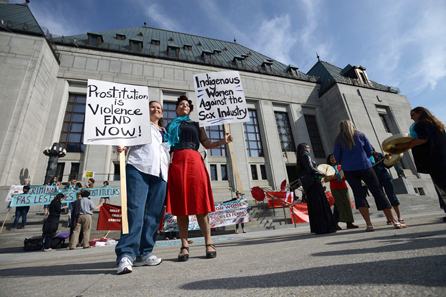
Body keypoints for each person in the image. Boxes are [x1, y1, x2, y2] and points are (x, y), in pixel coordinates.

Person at [165, 95, 233, 261]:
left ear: (190, 109)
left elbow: (207, 144)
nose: (184, 106)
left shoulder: (197, 125)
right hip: (177, 164)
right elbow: (163, 147)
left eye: (187, 105)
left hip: (194, 162)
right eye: (181, 104)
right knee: (181, 208)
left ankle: (209, 242)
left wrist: (223, 141)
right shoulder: (168, 126)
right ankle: (184, 246)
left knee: (200, 205)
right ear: (176, 109)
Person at [115, 100, 170, 275]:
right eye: (153, 107)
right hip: (139, 167)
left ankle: (145, 252)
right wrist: (122, 144)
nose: (156, 109)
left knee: (153, 215)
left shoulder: (165, 132)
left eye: (159, 108)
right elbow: (124, 137)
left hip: (161, 173)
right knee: (135, 210)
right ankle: (126, 254)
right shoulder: (138, 124)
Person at [333, 120, 407, 231]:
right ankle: (395, 221)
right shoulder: (360, 135)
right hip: (364, 167)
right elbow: (369, 151)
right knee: (378, 192)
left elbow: (337, 157)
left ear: (340, 128)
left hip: (349, 170)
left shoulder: (338, 140)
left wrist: (347, 161)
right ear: (352, 125)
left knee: (359, 195)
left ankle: (369, 224)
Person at [391, 107, 446, 222]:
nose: (411, 118)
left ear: (420, 113)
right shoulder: (437, 125)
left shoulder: (421, 125)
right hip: (442, 158)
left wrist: (403, 145)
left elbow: (423, 139)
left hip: (434, 160)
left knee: (443, 186)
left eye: (413, 115)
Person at [296, 143, 337, 234]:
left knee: (315, 205)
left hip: (309, 185)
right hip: (314, 183)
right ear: (305, 149)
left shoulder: (300, 159)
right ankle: (326, 226)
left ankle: (319, 227)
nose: (309, 149)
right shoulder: (306, 157)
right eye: (308, 147)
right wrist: (321, 173)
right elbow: (311, 169)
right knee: (320, 203)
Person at [371, 146, 405, 225]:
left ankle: (399, 216)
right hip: (375, 180)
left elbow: (387, 165)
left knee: (392, 196)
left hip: (385, 177)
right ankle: (388, 218)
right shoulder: (365, 158)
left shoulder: (379, 155)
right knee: (382, 199)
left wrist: (388, 159)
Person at [325, 154, 358, 230]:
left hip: (343, 187)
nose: (333, 159)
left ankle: (349, 222)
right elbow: (325, 179)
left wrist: (342, 177)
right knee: (338, 205)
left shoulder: (341, 166)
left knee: (347, 204)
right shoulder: (328, 169)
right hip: (334, 188)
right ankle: (335, 222)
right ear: (329, 160)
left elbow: (346, 177)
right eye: (331, 158)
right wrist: (332, 177)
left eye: (334, 157)